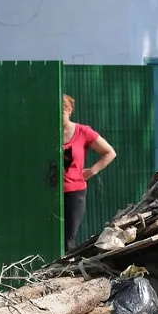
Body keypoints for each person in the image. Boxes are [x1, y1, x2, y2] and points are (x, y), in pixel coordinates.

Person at [62, 94, 117, 252]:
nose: (59, 115)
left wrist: (91, 171)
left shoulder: (82, 131)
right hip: (50, 191)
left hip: (74, 192)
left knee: (68, 238)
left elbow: (109, 152)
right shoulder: (47, 133)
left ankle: (64, 272)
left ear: (70, 111)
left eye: (63, 111)